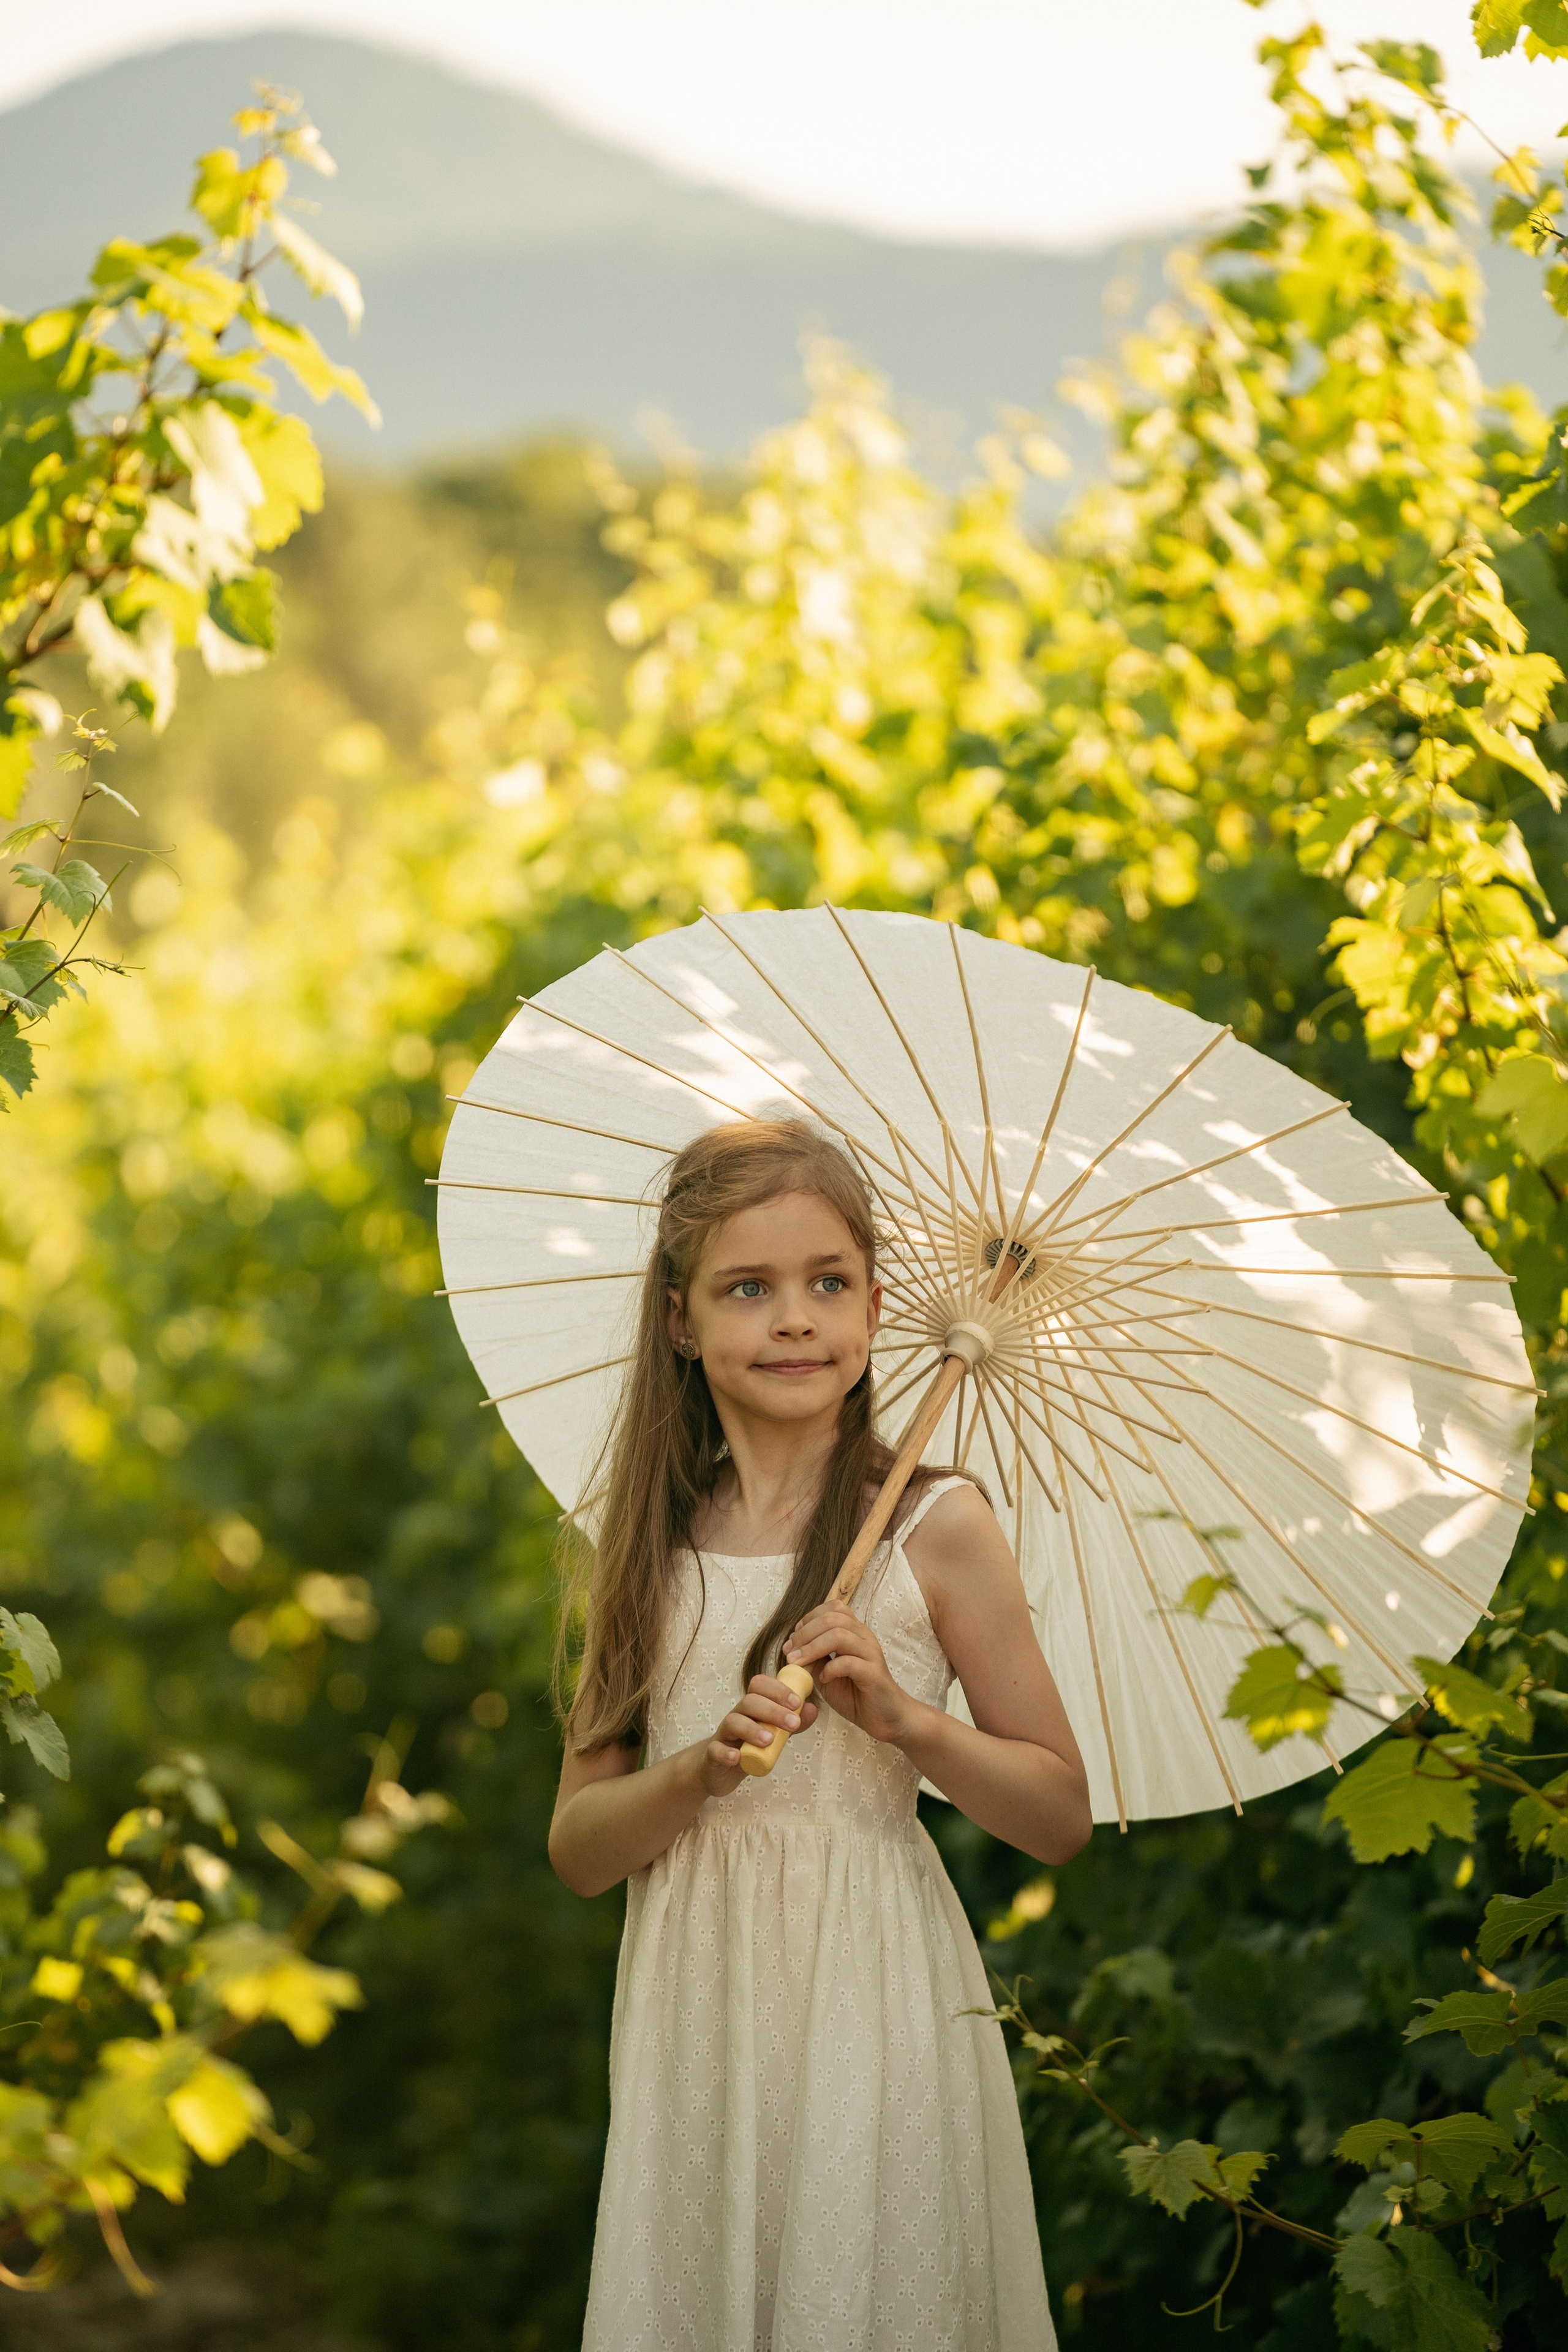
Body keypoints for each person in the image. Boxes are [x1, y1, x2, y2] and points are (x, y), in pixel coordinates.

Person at [549, 1118, 1091, 2352]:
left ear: (873, 1307)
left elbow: (1056, 1814)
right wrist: (697, 1770)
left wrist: (904, 1720)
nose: (793, 1319)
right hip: (701, 2010)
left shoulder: (934, 1527)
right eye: (748, 1287)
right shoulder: (639, 1548)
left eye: (826, 1283)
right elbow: (580, 1849)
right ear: (680, 1319)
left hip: (871, 1997)